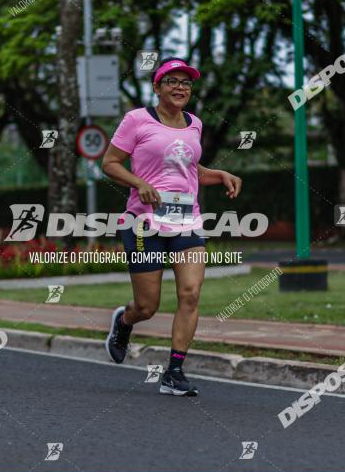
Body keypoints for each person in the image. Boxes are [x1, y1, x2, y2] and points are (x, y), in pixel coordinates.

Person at [101, 57, 242, 396]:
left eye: (186, 83)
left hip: (186, 221)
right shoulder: (137, 120)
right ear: (157, 87)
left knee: (191, 294)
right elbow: (109, 163)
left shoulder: (194, 124)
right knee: (147, 307)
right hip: (142, 224)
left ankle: (174, 372)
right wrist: (139, 183)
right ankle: (124, 321)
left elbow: (189, 170)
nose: (180, 87)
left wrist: (218, 174)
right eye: (172, 81)